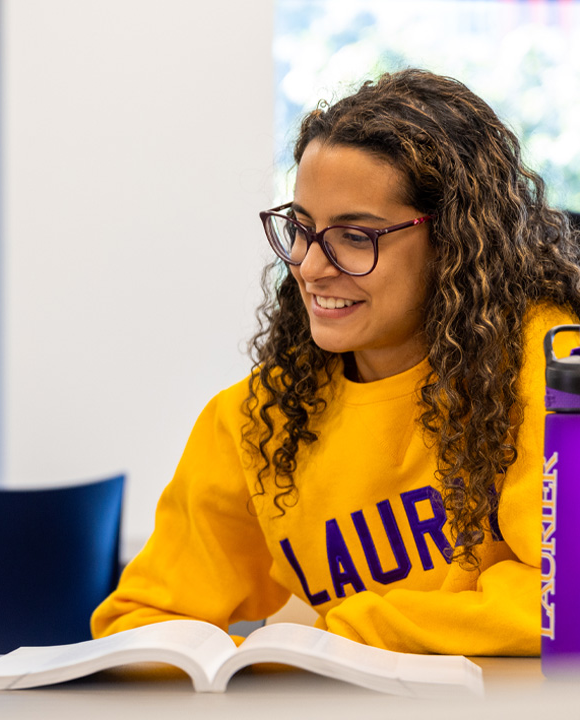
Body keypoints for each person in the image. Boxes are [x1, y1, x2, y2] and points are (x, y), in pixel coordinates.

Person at [93, 69, 580, 655]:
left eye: (354, 235)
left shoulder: (554, 362)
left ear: (454, 240)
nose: (310, 265)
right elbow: (141, 620)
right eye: (301, 229)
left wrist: (341, 636)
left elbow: (564, 601)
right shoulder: (259, 420)